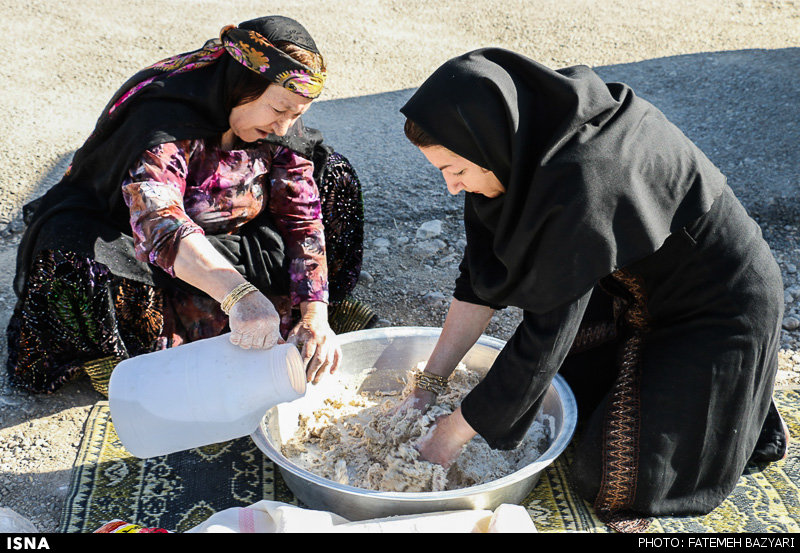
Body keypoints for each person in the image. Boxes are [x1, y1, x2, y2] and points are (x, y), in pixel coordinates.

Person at [398, 48, 789, 530]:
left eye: (455, 170)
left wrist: (451, 433)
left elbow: (547, 332)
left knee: (609, 473)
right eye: (442, 172)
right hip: (628, 288)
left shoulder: (582, 175)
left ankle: (740, 414)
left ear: (487, 143)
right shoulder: (512, 151)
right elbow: (477, 282)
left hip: (715, 307)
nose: (452, 188)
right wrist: (429, 386)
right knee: (565, 397)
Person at [7, 16, 374, 397]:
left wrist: (315, 310)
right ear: (241, 86)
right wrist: (240, 295)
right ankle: (127, 349)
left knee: (333, 176)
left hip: (236, 244)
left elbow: (302, 216)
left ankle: (298, 316)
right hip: (152, 253)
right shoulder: (167, 124)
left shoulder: (281, 129)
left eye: (296, 115)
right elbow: (161, 224)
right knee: (72, 252)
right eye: (278, 111)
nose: (283, 128)